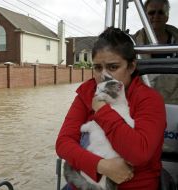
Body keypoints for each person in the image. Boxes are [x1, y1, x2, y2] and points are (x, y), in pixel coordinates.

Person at [56, 27, 166, 190]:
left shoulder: (149, 99)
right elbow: (63, 143)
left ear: (131, 67)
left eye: (113, 67)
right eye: (98, 68)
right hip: (83, 182)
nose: (104, 76)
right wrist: (102, 166)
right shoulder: (86, 94)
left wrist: (101, 111)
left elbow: (139, 154)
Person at [133, 0, 178, 104]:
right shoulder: (133, 43)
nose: (156, 16)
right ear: (144, 16)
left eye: (161, 12)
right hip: (145, 103)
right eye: (152, 12)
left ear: (167, 16)